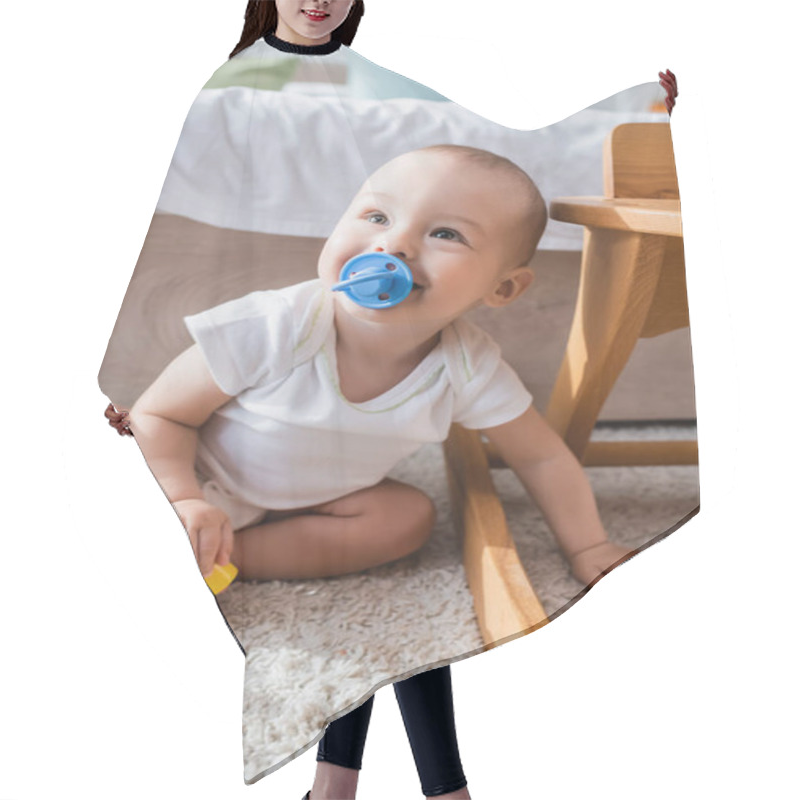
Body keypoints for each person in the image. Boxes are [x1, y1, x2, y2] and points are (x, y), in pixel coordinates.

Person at [128, 143, 631, 798]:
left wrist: (588, 544)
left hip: (329, 501)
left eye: (445, 234)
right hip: (201, 477)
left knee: (407, 518)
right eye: (374, 217)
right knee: (149, 514)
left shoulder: (465, 365)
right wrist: (185, 498)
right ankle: (201, 539)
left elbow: (538, 453)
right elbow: (162, 416)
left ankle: (237, 558)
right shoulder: (278, 324)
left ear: (501, 288)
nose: (394, 246)